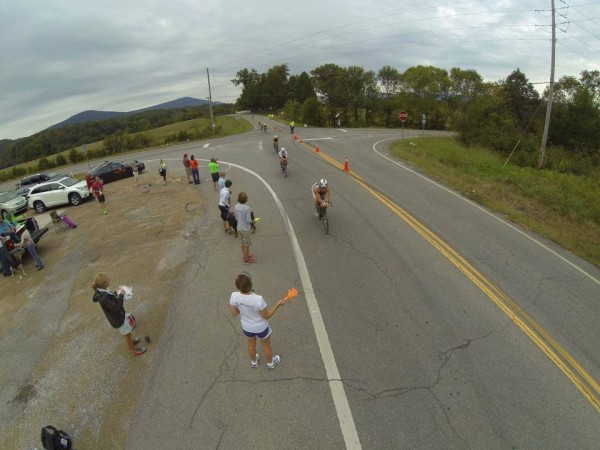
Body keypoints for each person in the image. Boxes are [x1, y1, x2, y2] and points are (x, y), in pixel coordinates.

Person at [229, 272, 287, 369]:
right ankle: (270, 363)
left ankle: (254, 362)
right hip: (261, 327)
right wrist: (278, 305)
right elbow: (266, 316)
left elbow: (234, 313)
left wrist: (242, 306)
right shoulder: (258, 299)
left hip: (246, 327)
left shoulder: (234, 296)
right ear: (250, 284)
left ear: (237, 286)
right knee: (266, 346)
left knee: (251, 344)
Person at [92, 272, 146, 357]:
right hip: (118, 319)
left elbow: (111, 301)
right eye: (108, 280)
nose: (109, 281)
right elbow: (117, 308)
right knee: (127, 335)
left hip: (118, 317)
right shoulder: (103, 298)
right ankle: (134, 350)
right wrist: (121, 295)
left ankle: (131, 342)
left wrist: (116, 293)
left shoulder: (102, 291)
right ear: (105, 283)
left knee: (128, 332)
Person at [235, 191, 256, 264]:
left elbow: (236, 217)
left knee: (242, 243)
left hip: (239, 227)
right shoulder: (247, 208)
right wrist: (253, 221)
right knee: (247, 245)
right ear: (246, 199)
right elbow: (248, 220)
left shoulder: (236, 206)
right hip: (246, 229)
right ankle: (246, 260)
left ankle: (245, 256)